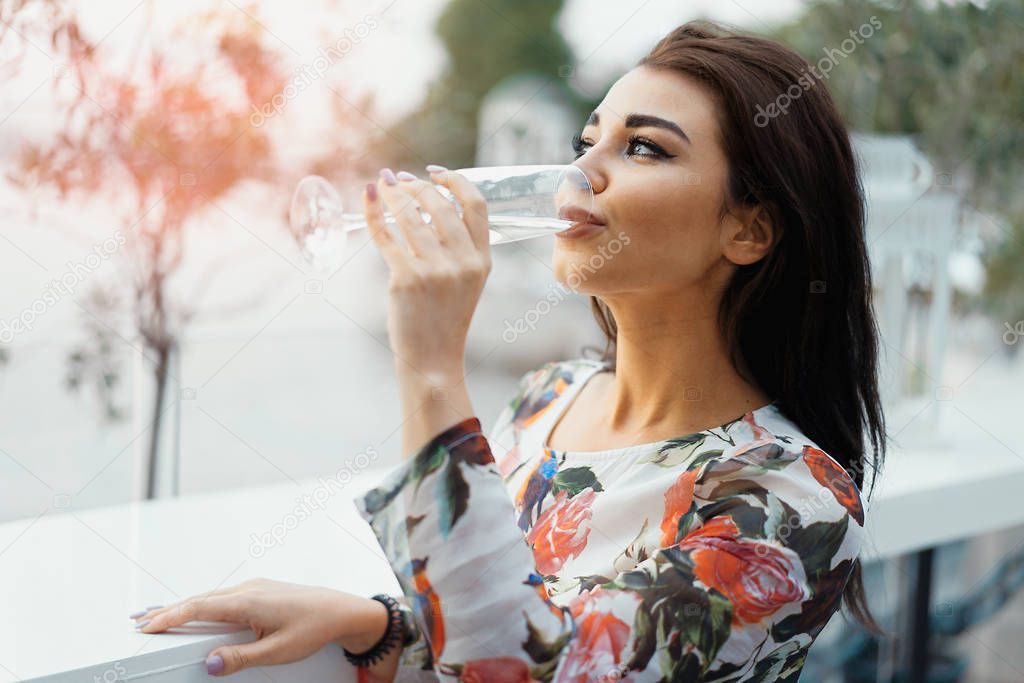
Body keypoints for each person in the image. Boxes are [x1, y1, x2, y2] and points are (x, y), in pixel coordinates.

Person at [132, 20, 887, 682]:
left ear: (749, 230)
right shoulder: (549, 396)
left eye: (644, 148)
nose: (578, 174)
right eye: (586, 140)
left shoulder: (792, 502)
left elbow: (534, 673)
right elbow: (506, 627)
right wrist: (384, 626)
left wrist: (430, 363)